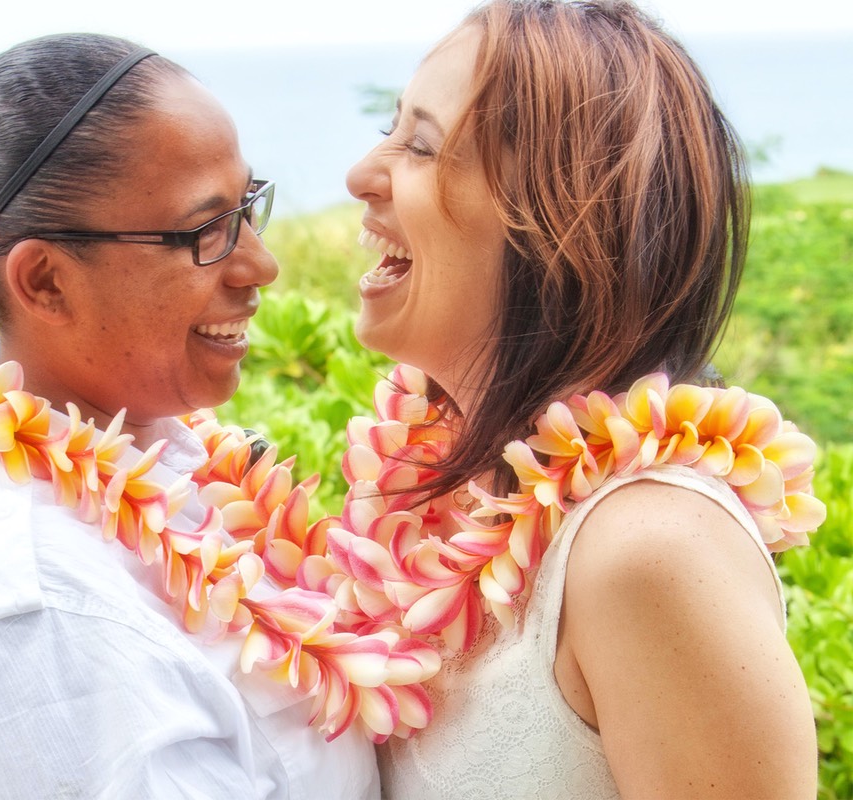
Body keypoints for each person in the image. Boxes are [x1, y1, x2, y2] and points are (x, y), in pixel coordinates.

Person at [0, 34, 382, 798]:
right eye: (204, 231)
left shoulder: (153, 446)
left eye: (246, 205)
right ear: (46, 282)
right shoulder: (39, 617)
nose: (259, 265)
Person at [338, 1, 825, 797]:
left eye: (422, 146)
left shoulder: (652, 548)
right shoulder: (435, 498)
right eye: (391, 129)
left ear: (559, 224)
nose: (361, 173)